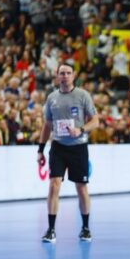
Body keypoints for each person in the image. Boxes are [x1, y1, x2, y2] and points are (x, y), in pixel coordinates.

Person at [37, 63, 99, 243]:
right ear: (57, 76)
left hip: (78, 147)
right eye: (62, 73)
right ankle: (51, 230)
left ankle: (85, 228)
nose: (65, 76)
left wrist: (81, 129)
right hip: (58, 147)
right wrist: (40, 150)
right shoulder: (52, 98)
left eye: (68, 73)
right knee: (54, 185)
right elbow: (47, 125)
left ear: (73, 76)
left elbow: (95, 121)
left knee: (81, 187)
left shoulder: (82, 95)